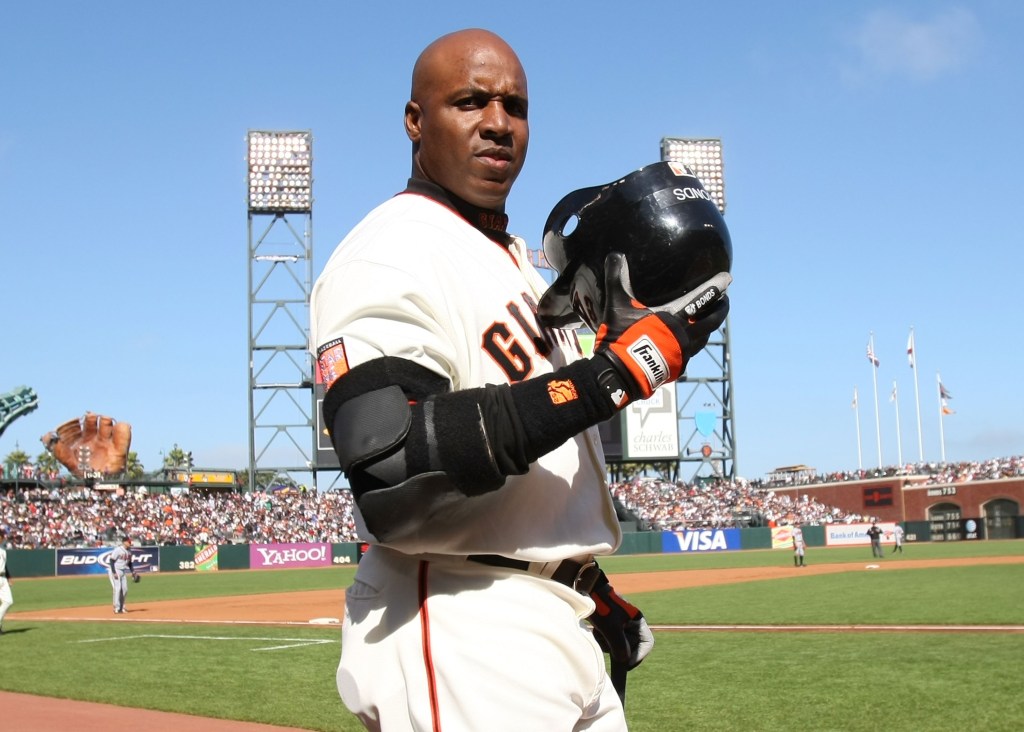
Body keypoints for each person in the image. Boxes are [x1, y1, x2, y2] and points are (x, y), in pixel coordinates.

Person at [310, 28, 729, 731]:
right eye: (470, 101)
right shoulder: (389, 247)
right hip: (463, 622)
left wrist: (585, 581)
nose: (498, 122)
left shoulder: (515, 264)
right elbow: (391, 471)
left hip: (554, 619)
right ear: (415, 121)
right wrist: (611, 376)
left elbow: (538, 470)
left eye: (516, 106)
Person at [105, 535, 139, 613]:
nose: (130, 543)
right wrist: (114, 572)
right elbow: (111, 561)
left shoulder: (129, 551)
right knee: (118, 589)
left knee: (125, 589)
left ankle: (122, 606)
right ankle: (116, 607)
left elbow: (129, 563)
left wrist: (133, 571)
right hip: (115, 570)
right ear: (124, 542)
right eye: (129, 542)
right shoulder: (118, 550)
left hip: (123, 571)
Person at [0, 529, 12, 634]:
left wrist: (9, 577)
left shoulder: (3, 551)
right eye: (2, 536)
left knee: (8, 601)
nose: (3, 538)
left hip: (3, 578)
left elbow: (5, 566)